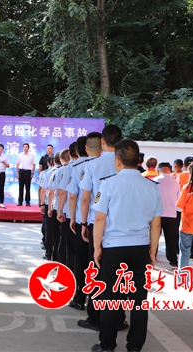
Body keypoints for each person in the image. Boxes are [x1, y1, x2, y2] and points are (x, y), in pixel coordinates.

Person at [91, 139, 163, 352]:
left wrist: (97, 247)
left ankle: (107, 345)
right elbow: (156, 223)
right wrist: (152, 251)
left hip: (114, 248)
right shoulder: (151, 187)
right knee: (139, 301)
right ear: (138, 160)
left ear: (118, 160)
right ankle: (134, 347)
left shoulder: (108, 184)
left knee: (110, 299)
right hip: (140, 249)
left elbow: (100, 219)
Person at [78, 124, 124, 331]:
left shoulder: (93, 166)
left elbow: (85, 198)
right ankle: (118, 317)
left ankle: (95, 317)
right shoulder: (126, 165)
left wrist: (83, 223)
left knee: (96, 271)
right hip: (121, 227)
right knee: (120, 274)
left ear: (102, 142)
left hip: (97, 223)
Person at [67, 133, 100, 311]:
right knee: (99, 263)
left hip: (85, 220)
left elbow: (75, 196)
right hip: (106, 222)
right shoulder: (114, 164)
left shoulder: (78, 166)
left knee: (81, 261)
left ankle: (79, 298)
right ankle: (98, 304)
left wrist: (74, 218)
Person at [153, 162, 180, 267]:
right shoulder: (175, 182)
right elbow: (178, 198)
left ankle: (152, 257)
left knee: (154, 237)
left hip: (157, 214)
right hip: (171, 214)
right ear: (169, 170)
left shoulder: (154, 181)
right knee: (171, 239)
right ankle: (173, 261)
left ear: (159, 170)